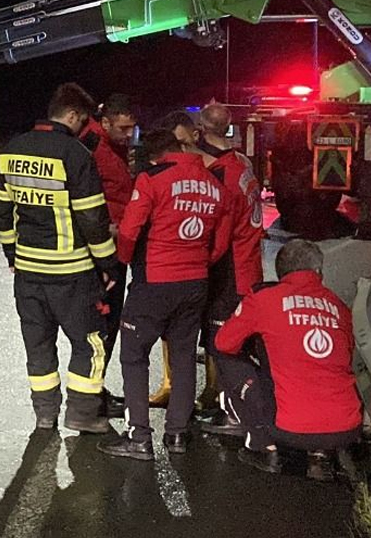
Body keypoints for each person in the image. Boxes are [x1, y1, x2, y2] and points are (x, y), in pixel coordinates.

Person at [0, 83, 118, 434]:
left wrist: (11, 253)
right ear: (73, 115)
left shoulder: (13, 149)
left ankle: (45, 415)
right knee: (90, 343)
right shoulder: (75, 154)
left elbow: (1, 210)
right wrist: (107, 264)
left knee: (38, 346)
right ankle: (81, 412)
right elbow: (92, 219)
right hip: (72, 272)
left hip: (28, 273)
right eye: (83, 121)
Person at [100, 129, 229, 460]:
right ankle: (177, 435)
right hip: (196, 282)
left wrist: (124, 262)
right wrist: (197, 261)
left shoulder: (152, 178)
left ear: (155, 156)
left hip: (154, 282)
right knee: (184, 357)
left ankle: (139, 436)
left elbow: (129, 232)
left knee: (134, 355)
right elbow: (219, 243)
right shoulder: (216, 185)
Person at [215, 239, 361, 480]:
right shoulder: (339, 307)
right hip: (346, 429)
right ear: (319, 272)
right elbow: (346, 355)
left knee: (225, 356)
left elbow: (224, 343)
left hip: (289, 429)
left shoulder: (265, 299)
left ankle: (265, 447)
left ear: (280, 271)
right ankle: (321, 456)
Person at [195, 102, 266, 435]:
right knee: (238, 340)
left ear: (201, 130)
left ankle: (233, 411)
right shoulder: (244, 163)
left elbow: (219, 236)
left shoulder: (221, 174)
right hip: (250, 265)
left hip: (231, 270)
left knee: (223, 342)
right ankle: (225, 402)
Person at [78, 94, 137, 417]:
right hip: (101, 253)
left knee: (107, 325)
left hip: (115, 248)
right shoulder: (90, 146)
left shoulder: (112, 146)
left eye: (132, 128)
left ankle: (94, 390)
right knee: (100, 325)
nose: (129, 135)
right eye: (123, 128)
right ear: (105, 122)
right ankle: (90, 396)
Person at [145, 108, 202, 407]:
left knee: (202, 335)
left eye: (182, 143)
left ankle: (208, 394)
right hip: (189, 265)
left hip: (203, 263)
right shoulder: (167, 174)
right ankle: (173, 388)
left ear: (194, 136)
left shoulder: (213, 170)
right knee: (175, 334)